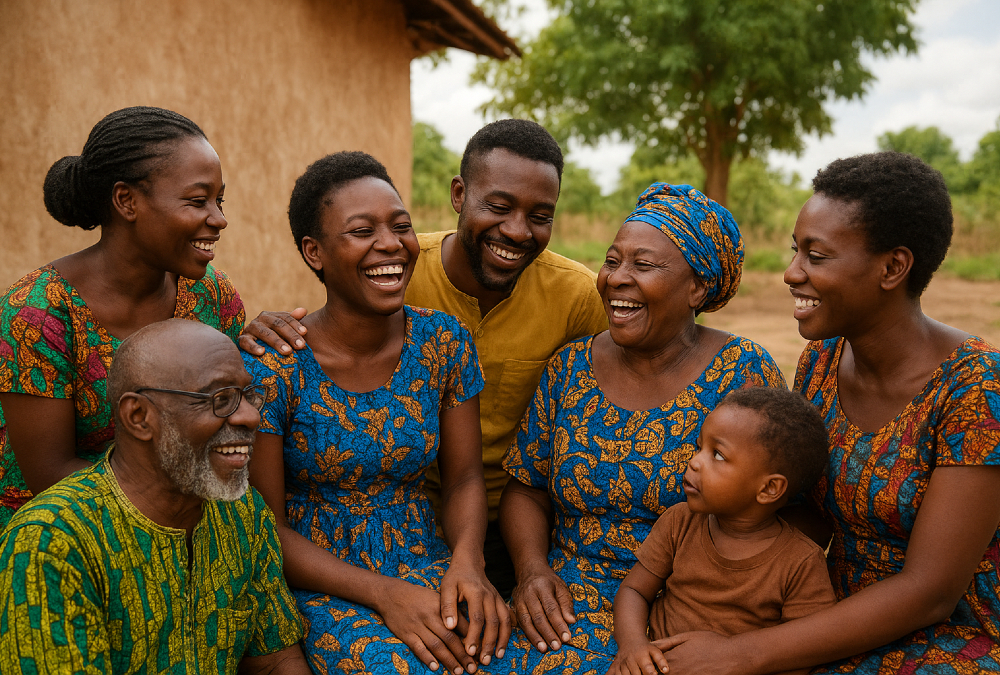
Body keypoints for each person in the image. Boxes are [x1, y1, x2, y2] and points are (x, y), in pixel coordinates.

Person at [654, 152, 1000, 674]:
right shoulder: (821, 362)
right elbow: (800, 508)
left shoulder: (976, 389)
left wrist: (741, 652)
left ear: (893, 267)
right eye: (796, 251)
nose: (792, 273)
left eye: (817, 256)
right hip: (822, 606)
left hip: (949, 634)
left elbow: (931, 590)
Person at [240, 119, 607, 598]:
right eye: (497, 207)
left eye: (540, 215)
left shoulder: (573, 296)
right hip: (402, 530)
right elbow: (330, 330)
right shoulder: (395, 277)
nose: (516, 231)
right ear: (459, 195)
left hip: (516, 523)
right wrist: (264, 330)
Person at [492, 182, 787, 674]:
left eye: (643, 266)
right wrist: (531, 571)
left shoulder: (744, 372)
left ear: (697, 287)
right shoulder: (570, 367)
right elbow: (527, 485)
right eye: (612, 261)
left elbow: (784, 507)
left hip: (692, 609)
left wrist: (726, 604)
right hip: (564, 604)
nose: (615, 279)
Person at [241, 151, 508, 675]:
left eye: (400, 225)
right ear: (313, 252)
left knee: (502, 658)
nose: (390, 244)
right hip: (320, 583)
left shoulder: (442, 342)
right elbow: (264, 528)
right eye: (362, 231)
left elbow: (463, 481)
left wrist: (468, 564)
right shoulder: (276, 365)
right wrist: (384, 594)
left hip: (429, 563)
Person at [0, 319, 309, 674]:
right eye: (220, 399)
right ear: (139, 416)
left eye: (248, 396)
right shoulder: (49, 543)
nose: (251, 417)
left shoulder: (243, 513)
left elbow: (276, 662)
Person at [0, 106, 244, 528]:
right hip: (66, 536)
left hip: (187, 517)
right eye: (197, 200)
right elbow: (50, 475)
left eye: (219, 201)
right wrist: (176, 504)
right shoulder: (37, 314)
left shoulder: (211, 297)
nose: (219, 219)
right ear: (126, 201)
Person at [611, 387, 835, 675]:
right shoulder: (680, 522)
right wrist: (633, 646)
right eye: (699, 447)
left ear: (768, 489)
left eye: (717, 455)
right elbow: (633, 590)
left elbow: (803, 652)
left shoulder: (801, 562)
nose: (694, 461)